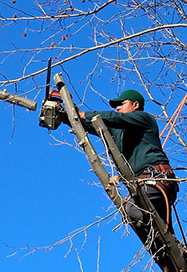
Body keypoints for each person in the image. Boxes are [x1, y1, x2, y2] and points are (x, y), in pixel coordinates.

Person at [75, 89, 179, 233]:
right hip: (144, 185)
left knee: (132, 210)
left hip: (156, 178)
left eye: (122, 104)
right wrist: (69, 116)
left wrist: (84, 114)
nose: (117, 108)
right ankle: (174, 251)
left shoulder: (144, 119)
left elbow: (114, 118)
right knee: (160, 241)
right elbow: (92, 124)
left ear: (135, 105)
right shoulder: (118, 131)